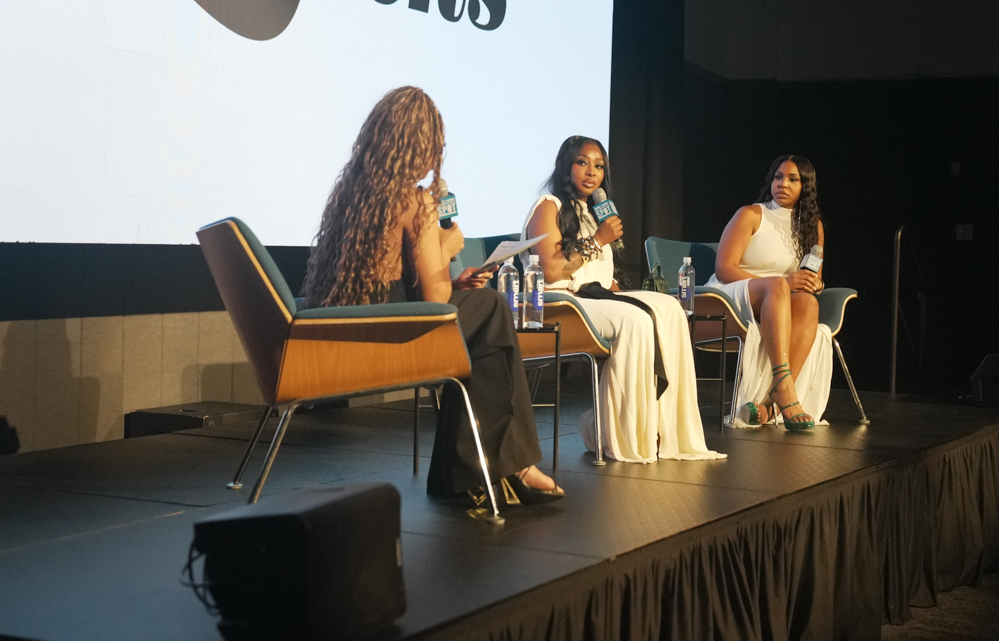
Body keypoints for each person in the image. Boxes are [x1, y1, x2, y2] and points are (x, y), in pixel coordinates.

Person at [301, 86, 563, 503]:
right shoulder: (414, 200)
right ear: (417, 145)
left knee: (483, 324)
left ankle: (481, 471)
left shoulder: (352, 194)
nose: (435, 158)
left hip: (362, 326)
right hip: (394, 336)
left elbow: (398, 282)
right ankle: (488, 469)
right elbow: (437, 302)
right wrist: (447, 248)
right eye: (435, 146)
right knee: (492, 310)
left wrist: (456, 283)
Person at [521, 135, 726, 463]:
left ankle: (665, 430)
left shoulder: (593, 213)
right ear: (565, 166)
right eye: (582, 163)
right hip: (560, 303)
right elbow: (551, 269)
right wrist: (599, 239)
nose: (592, 172)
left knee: (670, 308)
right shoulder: (549, 206)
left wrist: (622, 288)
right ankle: (617, 432)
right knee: (636, 321)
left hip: (595, 298)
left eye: (599, 166)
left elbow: (599, 276)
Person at [706, 155, 831, 430]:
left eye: (792, 179)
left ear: (806, 187)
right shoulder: (751, 215)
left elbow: (815, 277)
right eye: (778, 177)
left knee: (808, 303)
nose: (782, 184)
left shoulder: (814, 227)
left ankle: (774, 398)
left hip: (778, 300)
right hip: (732, 293)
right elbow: (724, 269)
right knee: (777, 285)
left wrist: (815, 285)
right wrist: (783, 283)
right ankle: (784, 387)